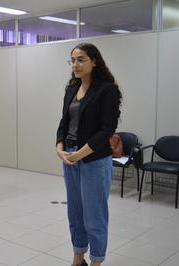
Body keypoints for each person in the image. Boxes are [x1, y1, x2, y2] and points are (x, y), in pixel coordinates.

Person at [56, 43, 122, 266]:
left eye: (81, 59)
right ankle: (78, 259)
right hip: (70, 157)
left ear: (94, 61)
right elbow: (64, 122)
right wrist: (59, 147)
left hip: (94, 160)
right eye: (73, 60)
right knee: (75, 214)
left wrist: (80, 154)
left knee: (94, 217)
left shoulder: (107, 90)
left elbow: (107, 130)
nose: (76, 64)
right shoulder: (71, 88)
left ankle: (96, 261)